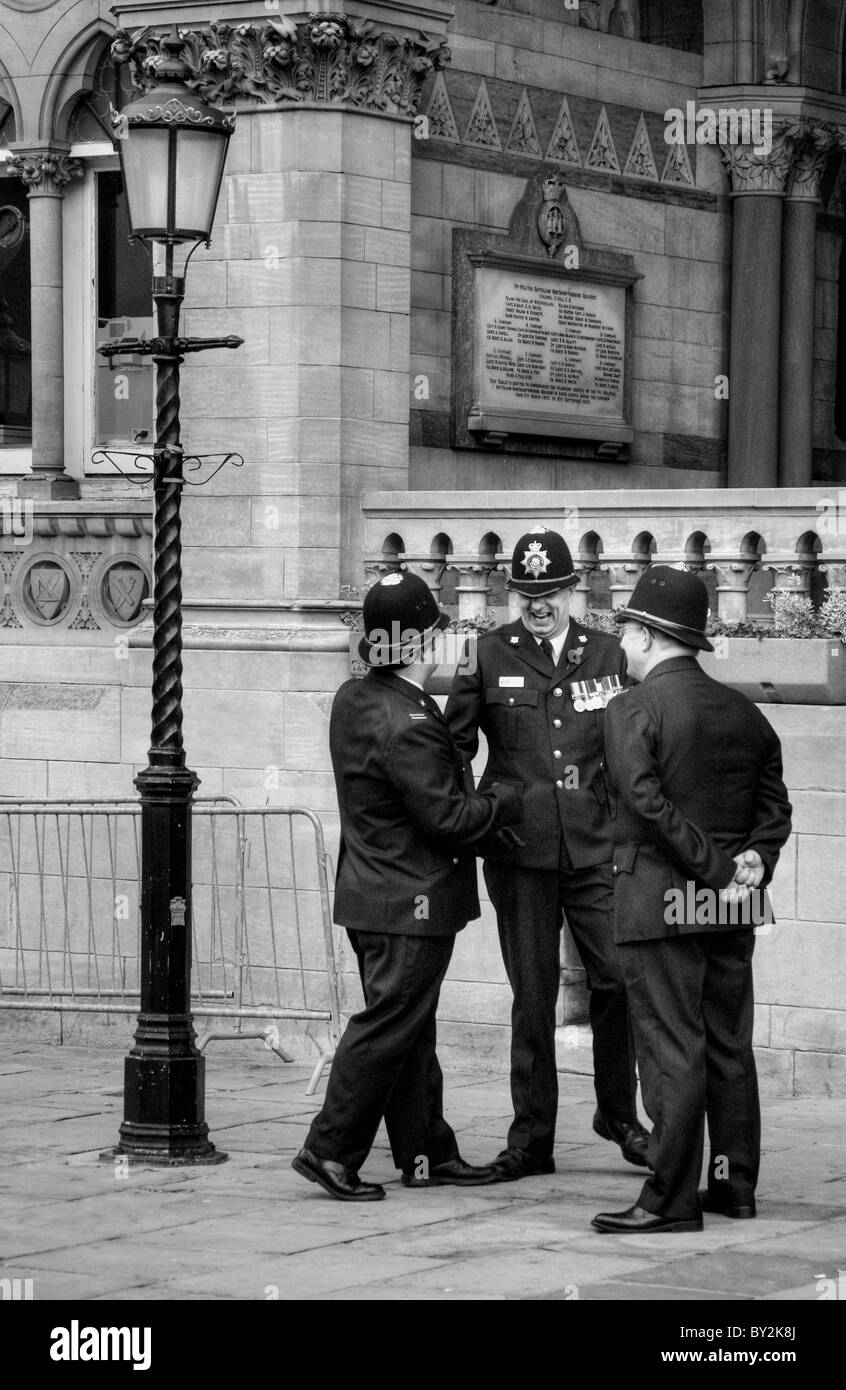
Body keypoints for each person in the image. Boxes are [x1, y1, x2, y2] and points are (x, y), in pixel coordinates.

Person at [293, 571, 523, 1201]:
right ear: (421, 645)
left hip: (372, 896)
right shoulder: (411, 721)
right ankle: (330, 1149)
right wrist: (508, 796)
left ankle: (426, 1153)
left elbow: (412, 778)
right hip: (408, 904)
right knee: (389, 1027)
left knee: (411, 1032)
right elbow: (449, 819)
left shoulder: (356, 699)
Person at [591, 566, 792, 1234]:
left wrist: (710, 867)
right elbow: (775, 809)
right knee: (728, 1044)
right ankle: (733, 1187)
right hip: (731, 904)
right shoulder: (746, 712)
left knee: (672, 1048)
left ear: (648, 635)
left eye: (626, 627)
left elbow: (644, 805)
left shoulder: (632, 708)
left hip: (661, 901)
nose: (620, 640)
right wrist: (751, 865)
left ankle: (669, 1200)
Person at [445, 525, 649, 1180]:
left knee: (615, 978)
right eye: (527, 592)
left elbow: (635, 749)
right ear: (512, 592)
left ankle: (618, 1114)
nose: (539, 604)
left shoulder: (610, 655)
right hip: (518, 850)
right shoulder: (485, 653)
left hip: (594, 850)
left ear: (574, 590)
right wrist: (478, 818)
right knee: (532, 997)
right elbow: (453, 747)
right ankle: (530, 1140)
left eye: (551, 591)